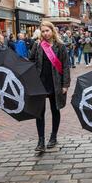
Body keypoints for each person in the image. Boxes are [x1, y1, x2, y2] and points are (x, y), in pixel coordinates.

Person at [29, 21, 70, 152]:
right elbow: (31, 61)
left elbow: (65, 66)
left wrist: (65, 84)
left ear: (52, 31)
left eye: (47, 30)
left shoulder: (61, 46)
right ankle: (41, 140)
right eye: (43, 31)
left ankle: (53, 136)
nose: (45, 33)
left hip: (55, 83)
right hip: (40, 83)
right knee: (39, 112)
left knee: (55, 110)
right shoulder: (38, 45)